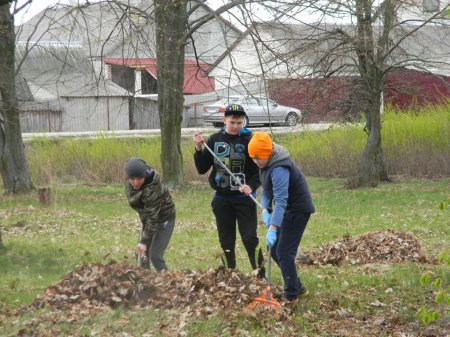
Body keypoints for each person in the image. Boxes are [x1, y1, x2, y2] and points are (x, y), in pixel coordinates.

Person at [193, 104, 265, 278]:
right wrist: (198, 149)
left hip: (244, 198)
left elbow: (260, 171)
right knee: (226, 240)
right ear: (224, 120)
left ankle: (260, 275)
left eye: (240, 122)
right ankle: (229, 274)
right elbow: (202, 169)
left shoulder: (250, 140)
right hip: (222, 199)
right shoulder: (213, 140)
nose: (236, 126)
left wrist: (252, 186)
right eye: (232, 122)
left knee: (249, 238)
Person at [248, 131, 315, 301]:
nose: (256, 161)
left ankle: (291, 296)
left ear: (267, 153)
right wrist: (264, 210)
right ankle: (297, 287)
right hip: (286, 209)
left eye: (258, 158)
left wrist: (273, 228)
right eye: (253, 158)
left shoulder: (279, 168)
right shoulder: (265, 164)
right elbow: (266, 191)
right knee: (274, 250)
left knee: (284, 253)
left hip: (298, 209)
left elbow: (281, 200)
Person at [125, 157, 176, 271]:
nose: (135, 182)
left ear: (144, 175)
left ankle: (170, 283)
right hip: (148, 218)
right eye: (132, 179)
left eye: (139, 178)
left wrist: (143, 242)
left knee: (155, 256)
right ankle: (146, 284)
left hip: (164, 219)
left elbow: (153, 218)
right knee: (141, 255)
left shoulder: (151, 189)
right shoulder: (130, 181)